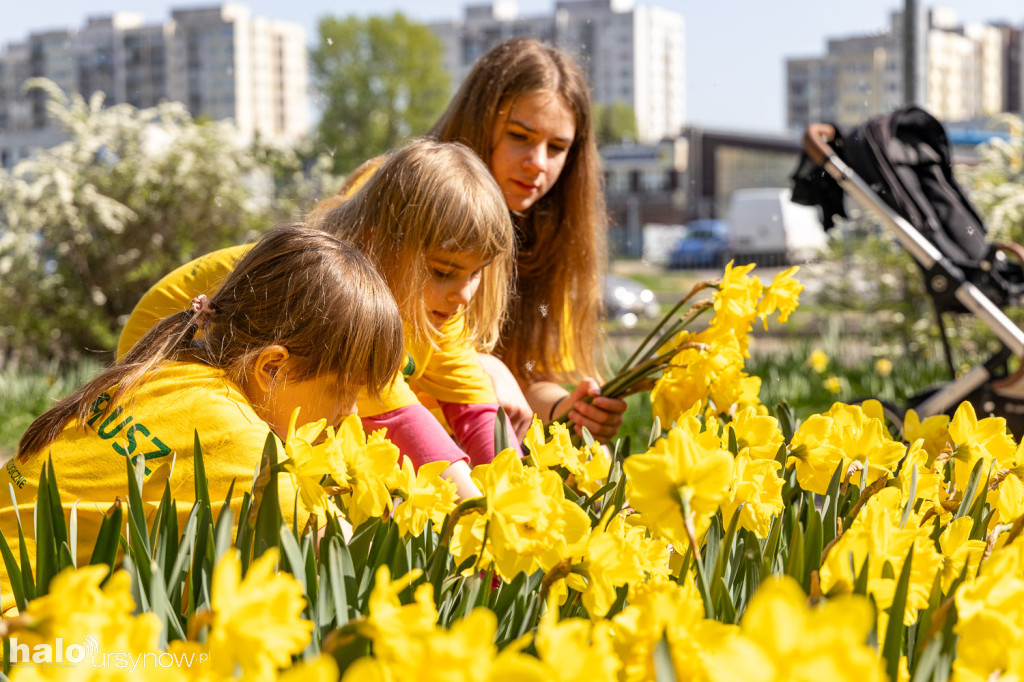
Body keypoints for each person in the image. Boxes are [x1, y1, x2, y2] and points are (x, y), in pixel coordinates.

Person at [1, 225, 405, 612]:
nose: (350, 411)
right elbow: (350, 559)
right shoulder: (246, 448)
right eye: (343, 389)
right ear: (273, 369)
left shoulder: (164, 370)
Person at [117, 139, 517, 474]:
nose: (464, 294)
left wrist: (517, 492)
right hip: (166, 363)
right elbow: (397, 418)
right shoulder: (334, 299)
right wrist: (476, 513)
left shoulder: (438, 304)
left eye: (476, 273)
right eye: (443, 271)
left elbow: (476, 411)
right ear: (376, 242)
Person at [431, 38, 627, 443]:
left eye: (558, 148)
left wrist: (569, 408)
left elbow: (530, 374)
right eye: (520, 135)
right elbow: (377, 342)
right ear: (478, 122)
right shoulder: (405, 195)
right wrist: (479, 366)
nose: (538, 163)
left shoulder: (549, 232)